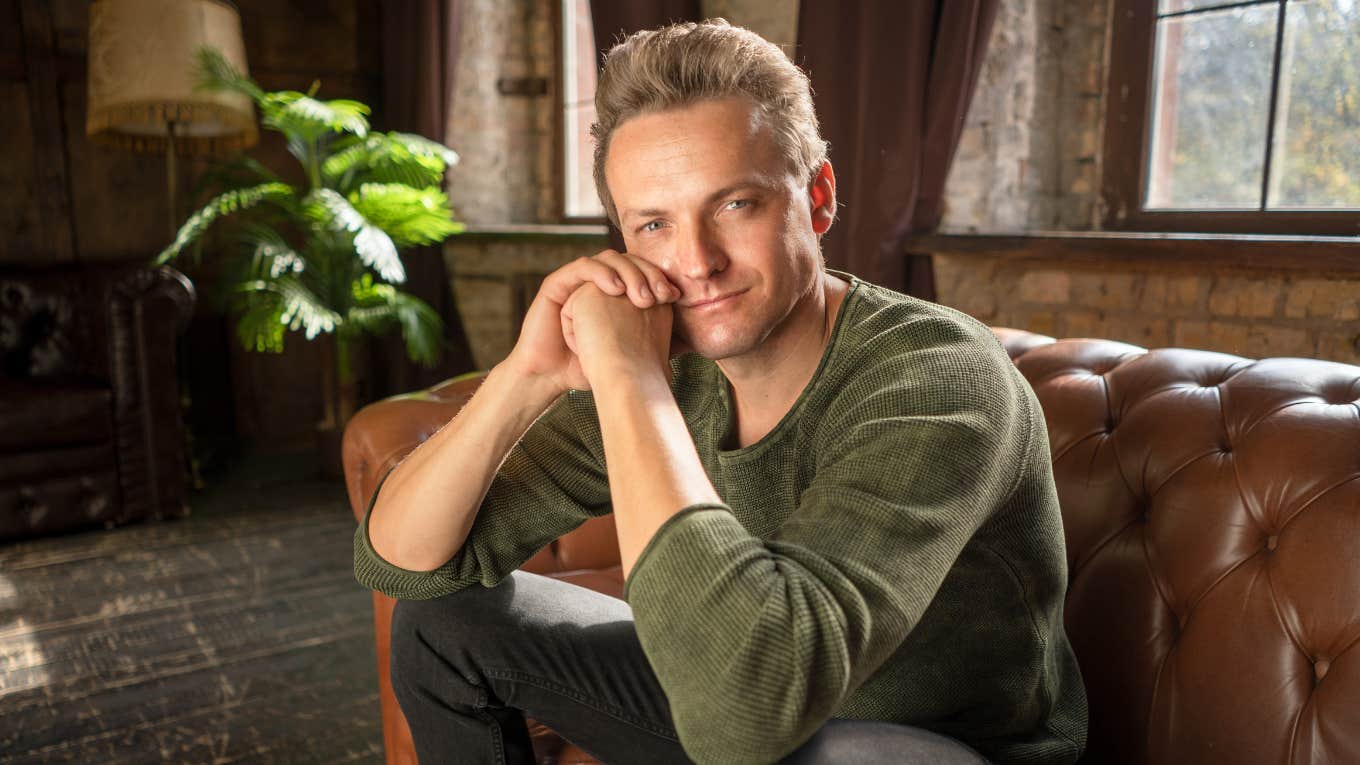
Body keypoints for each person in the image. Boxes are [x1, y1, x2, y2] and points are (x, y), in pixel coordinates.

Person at [354, 18, 1087, 765]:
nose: (695, 261)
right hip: (748, 709)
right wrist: (525, 376)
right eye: (654, 224)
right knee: (443, 625)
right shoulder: (675, 361)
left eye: (736, 205)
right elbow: (400, 562)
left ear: (819, 197)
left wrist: (632, 382)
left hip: (937, 748)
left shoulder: (936, 374)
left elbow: (753, 711)